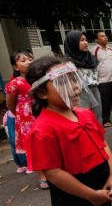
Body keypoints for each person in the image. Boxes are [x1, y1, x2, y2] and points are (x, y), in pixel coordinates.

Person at [25, 56, 112, 206]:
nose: (75, 87)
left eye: (74, 79)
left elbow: (103, 145)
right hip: (74, 197)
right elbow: (53, 173)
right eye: (63, 82)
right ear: (42, 94)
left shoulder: (85, 114)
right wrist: (92, 196)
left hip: (102, 190)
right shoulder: (43, 129)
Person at [5, 50, 49, 189]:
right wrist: (21, 116)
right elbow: (10, 104)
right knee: (34, 148)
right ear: (16, 67)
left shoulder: (41, 78)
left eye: (30, 58)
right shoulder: (15, 83)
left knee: (48, 142)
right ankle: (42, 176)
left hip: (44, 114)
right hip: (26, 121)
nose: (29, 62)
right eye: (23, 60)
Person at [64, 30, 102, 123]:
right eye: (81, 40)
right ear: (73, 43)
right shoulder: (67, 63)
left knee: (97, 118)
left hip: (95, 90)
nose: (85, 43)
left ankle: (99, 137)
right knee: (84, 119)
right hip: (80, 93)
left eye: (86, 40)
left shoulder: (91, 58)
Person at [90, 31, 112, 128]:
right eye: (102, 36)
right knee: (105, 101)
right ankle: (106, 120)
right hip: (103, 80)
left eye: (105, 36)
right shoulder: (94, 51)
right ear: (97, 40)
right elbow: (93, 66)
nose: (105, 37)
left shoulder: (111, 50)